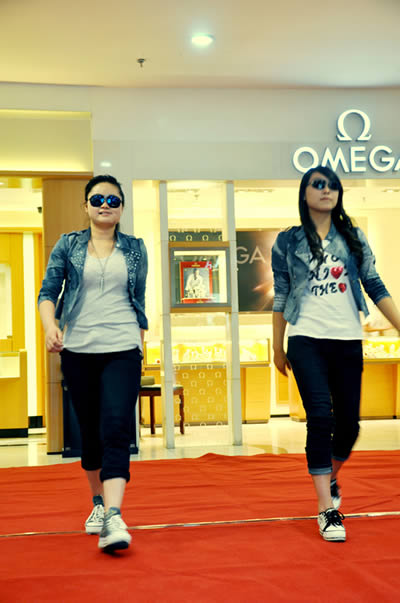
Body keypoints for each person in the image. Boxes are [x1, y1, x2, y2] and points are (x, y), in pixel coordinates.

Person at [271, 165, 400, 543]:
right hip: (306, 338)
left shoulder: (352, 238)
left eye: (333, 186)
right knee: (319, 417)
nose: (326, 190)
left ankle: (331, 476)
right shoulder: (288, 241)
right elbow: (281, 294)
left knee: (350, 425)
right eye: (318, 185)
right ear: (305, 193)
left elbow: (374, 283)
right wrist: (277, 345)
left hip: (346, 339)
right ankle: (327, 508)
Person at [38, 174, 148, 553]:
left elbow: (139, 299)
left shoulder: (135, 249)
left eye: (113, 200)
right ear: (85, 206)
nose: (105, 205)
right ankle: (98, 503)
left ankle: (114, 515)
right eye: (98, 199)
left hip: (122, 348)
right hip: (79, 349)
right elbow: (48, 292)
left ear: (121, 208)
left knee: (117, 427)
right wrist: (50, 327)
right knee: (90, 432)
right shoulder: (68, 245)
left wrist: (140, 345)